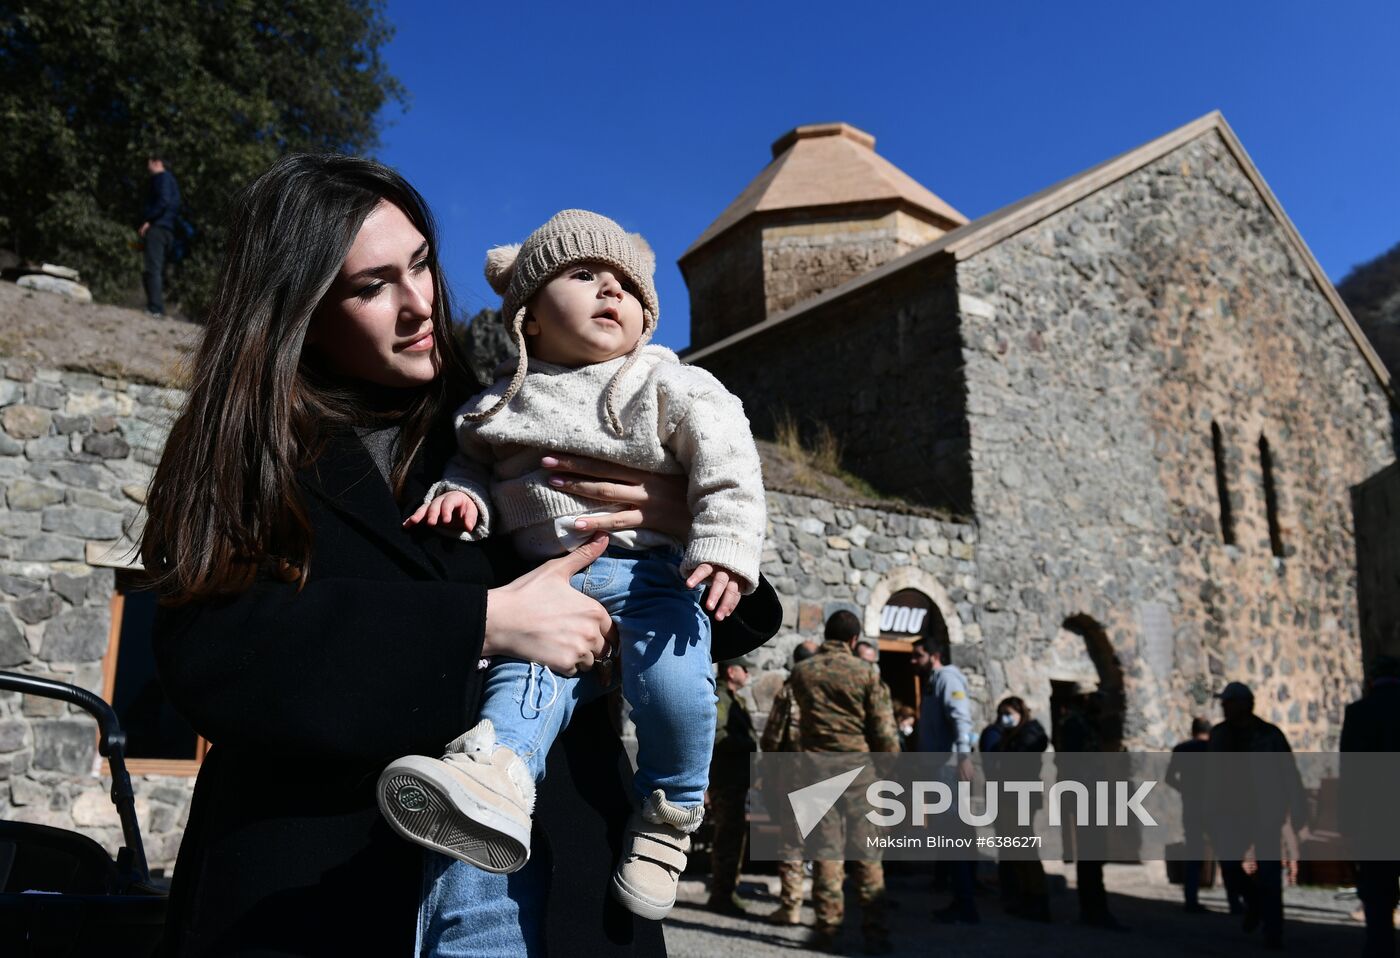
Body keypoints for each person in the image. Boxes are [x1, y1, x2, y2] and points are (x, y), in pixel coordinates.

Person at [142, 154, 779, 956]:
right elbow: (212, 656)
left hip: (557, 886)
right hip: (318, 893)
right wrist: (483, 622)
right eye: (370, 286)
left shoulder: (506, 413)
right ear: (296, 309)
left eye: (420, 265)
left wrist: (678, 518)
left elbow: (711, 598)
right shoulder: (246, 451)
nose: (418, 305)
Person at [376, 209, 766, 922]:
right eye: (584, 275)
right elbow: (472, 463)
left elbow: (728, 460)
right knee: (523, 688)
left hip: (651, 578)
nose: (609, 291)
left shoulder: (663, 382)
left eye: (625, 284)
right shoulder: (498, 402)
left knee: (677, 687)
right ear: (527, 316)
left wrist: (726, 544)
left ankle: (671, 814)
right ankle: (494, 786)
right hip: (547, 591)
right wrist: (460, 498)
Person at [790, 610, 900, 955]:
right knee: (867, 854)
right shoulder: (866, 673)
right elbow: (884, 732)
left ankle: (826, 928)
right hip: (858, 773)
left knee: (825, 854)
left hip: (816, 771)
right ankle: (876, 933)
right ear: (854, 640)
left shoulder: (801, 672)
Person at [1208, 681, 1307, 951]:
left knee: (1270, 873)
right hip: (1231, 813)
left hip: (1265, 812)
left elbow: (1289, 772)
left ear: (1244, 703)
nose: (1224, 707)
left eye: (1228, 702)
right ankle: (1255, 902)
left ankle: (1273, 931)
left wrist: (1297, 809)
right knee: (1229, 866)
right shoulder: (1220, 735)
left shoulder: (1269, 735)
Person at [910, 636, 980, 925]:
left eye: (918, 656)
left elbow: (961, 717)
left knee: (954, 833)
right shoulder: (933, 681)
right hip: (939, 769)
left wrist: (964, 755)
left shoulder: (948, 678)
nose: (913, 661)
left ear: (934, 656)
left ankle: (965, 903)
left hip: (947, 769)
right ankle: (962, 897)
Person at [1341, 655, 1400, 958]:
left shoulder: (1359, 713)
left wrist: (1347, 823)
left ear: (1371, 680)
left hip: (1376, 818)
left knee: (1378, 893)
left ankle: (1381, 949)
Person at [1056, 688, 1127, 931]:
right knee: (1091, 855)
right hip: (1085, 795)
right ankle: (1094, 909)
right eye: (1094, 696)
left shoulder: (1086, 723)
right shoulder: (1075, 724)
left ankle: (1094, 908)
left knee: (1093, 856)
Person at [759, 641, 818, 925]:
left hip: (795, 775)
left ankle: (791, 907)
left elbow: (771, 737)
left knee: (793, 843)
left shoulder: (790, 691)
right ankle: (827, 903)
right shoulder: (829, 690)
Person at [988, 696, 1050, 922]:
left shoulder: (1030, 734)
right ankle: (1026, 897)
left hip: (1022, 797)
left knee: (1025, 849)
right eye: (1002, 713)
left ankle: (1038, 899)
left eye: (1009, 713)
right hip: (1007, 795)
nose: (1005, 718)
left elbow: (1023, 758)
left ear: (1019, 712)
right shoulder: (1010, 736)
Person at [708, 656, 758, 916]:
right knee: (727, 837)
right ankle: (721, 895)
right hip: (726, 779)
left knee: (734, 836)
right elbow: (717, 735)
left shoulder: (734, 698)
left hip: (736, 779)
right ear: (731, 671)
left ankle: (726, 891)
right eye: (744, 668)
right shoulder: (722, 698)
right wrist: (748, 744)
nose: (748, 673)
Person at [1165, 717, 1212, 914]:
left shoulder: (1182, 749)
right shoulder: (1214, 749)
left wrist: (1184, 789)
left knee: (1194, 851)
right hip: (1213, 805)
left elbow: (1169, 778)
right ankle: (1235, 901)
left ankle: (1190, 898)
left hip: (1191, 805)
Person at [138, 152, 181, 316]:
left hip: (158, 229)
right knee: (157, 269)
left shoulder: (162, 178)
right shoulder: (171, 181)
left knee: (152, 268)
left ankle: (155, 308)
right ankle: (156, 306)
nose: (147, 166)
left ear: (156, 163)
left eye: (148, 162)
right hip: (168, 230)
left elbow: (163, 201)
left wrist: (148, 220)